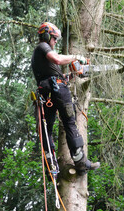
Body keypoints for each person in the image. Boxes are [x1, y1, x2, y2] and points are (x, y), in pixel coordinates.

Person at [31, 22, 100, 176]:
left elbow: (53, 74)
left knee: (45, 129)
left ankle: (51, 165)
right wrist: (77, 57)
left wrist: (69, 76)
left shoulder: (41, 58)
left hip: (47, 93)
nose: (55, 42)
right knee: (69, 123)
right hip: (57, 91)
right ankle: (80, 162)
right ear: (47, 36)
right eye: (54, 39)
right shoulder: (43, 47)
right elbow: (57, 59)